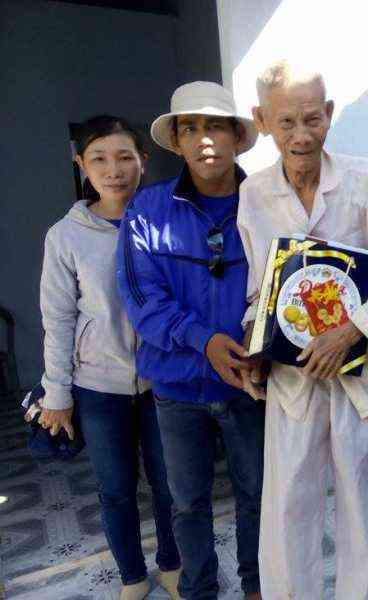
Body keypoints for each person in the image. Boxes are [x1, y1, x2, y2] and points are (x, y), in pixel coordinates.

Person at [238, 59, 368, 599]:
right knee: (287, 512)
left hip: (357, 381)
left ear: (330, 113)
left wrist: (352, 331)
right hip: (293, 382)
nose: (301, 135)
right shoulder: (255, 194)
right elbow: (259, 290)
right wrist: (255, 343)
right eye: (286, 122)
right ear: (262, 121)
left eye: (312, 119)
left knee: (363, 511)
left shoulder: (366, 181)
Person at [116, 82, 264, 600]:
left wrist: (258, 345)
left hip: (250, 386)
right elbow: (143, 300)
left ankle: (257, 586)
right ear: (176, 141)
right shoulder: (146, 211)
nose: (203, 139)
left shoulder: (265, 205)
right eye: (190, 128)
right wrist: (204, 341)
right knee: (188, 504)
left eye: (215, 126)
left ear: (237, 137)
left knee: (258, 496)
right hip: (177, 390)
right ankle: (200, 591)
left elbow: (281, 286)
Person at [39, 115, 181, 600]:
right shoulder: (66, 236)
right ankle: (132, 576)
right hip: (98, 387)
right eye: (99, 158)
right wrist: (57, 393)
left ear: (144, 161)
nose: (113, 169)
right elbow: (58, 318)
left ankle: (171, 564)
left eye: (124, 157)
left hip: (163, 381)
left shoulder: (164, 221)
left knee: (170, 484)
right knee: (116, 490)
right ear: (81, 164)